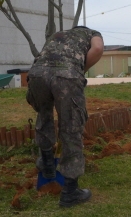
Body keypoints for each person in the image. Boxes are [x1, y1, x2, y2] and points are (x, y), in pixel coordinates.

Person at [26, 26, 104, 207]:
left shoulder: (57, 35)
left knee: (44, 114)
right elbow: (98, 49)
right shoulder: (92, 34)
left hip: (37, 74)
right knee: (71, 127)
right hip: (66, 75)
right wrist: (79, 70)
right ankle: (70, 192)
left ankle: (47, 166)